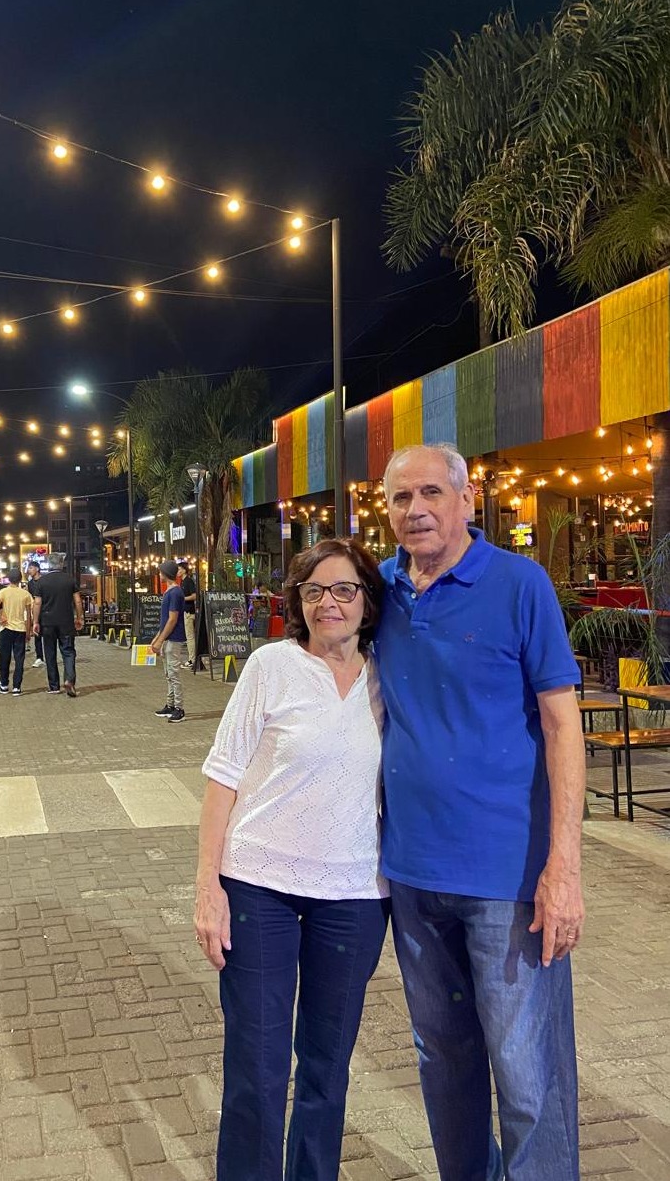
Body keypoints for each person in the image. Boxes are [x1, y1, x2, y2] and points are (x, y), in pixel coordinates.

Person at [376, 443, 585, 1181]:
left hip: (509, 879)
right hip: (411, 875)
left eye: (432, 492)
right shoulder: (380, 592)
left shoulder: (519, 584)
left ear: (467, 500)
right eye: (401, 498)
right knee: (444, 1064)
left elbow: (562, 725)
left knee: (529, 1075)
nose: (416, 510)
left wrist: (564, 867)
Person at [195, 539, 389, 1181]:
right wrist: (208, 888)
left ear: (367, 599)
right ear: (297, 602)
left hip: (356, 893)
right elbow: (223, 776)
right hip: (258, 887)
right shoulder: (270, 666)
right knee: (257, 1063)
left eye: (344, 589)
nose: (329, 603)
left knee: (328, 1067)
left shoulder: (388, 676)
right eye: (314, 591)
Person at [32, 553, 84, 698]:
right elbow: (78, 601)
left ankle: (54, 686)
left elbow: (37, 603)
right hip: (66, 622)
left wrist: (35, 622)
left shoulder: (42, 581)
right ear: (62, 564)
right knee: (68, 651)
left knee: (50, 653)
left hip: (47, 622)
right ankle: (69, 680)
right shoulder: (69, 579)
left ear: (49, 564)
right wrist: (79, 618)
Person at [150, 560, 187, 722]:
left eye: (161, 572)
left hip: (174, 638)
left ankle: (179, 707)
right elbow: (166, 620)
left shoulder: (175, 593)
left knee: (173, 673)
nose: (159, 574)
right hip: (168, 637)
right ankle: (170, 704)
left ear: (165, 574)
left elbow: (172, 619)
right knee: (168, 673)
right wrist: (158, 637)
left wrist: (160, 640)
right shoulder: (171, 592)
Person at [0, 568, 33, 695]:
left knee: (4, 657)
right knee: (19, 659)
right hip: (20, 629)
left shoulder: (3, 591)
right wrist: (28, 631)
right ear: (20, 579)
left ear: (9, 579)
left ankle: (4, 684)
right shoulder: (25, 594)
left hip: (6, 628)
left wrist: (1, 617)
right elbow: (29, 614)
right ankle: (17, 687)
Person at [177, 560, 197, 669]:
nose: (178, 571)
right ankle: (192, 658)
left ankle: (192, 659)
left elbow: (194, 596)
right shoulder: (183, 582)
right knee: (189, 636)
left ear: (184, 570)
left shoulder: (188, 581)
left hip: (189, 612)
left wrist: (183, 599)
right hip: (186, 611)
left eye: (179, 569)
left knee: (190, 637)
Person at [26, 560, 45, 668]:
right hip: (36, 611)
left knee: (47, 635)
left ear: (37, 569)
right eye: (28, 568)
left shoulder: (45, 581)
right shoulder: (30, 583)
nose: (29, 570)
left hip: (46, 611)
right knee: (37, 635)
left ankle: (48, 657)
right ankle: (39, 657)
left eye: (31, 568)